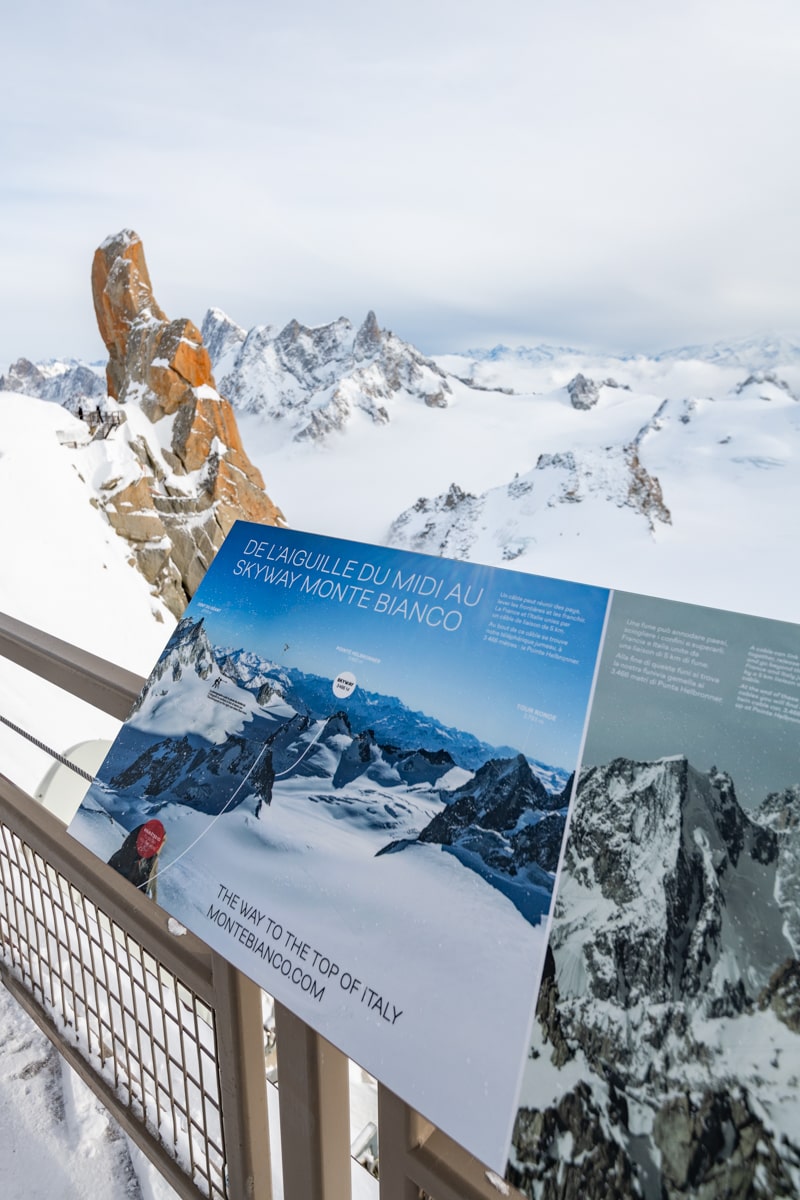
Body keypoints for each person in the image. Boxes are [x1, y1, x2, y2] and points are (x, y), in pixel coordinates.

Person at [107, 819, 166, 901]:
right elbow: (146, 881)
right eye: (163, 841)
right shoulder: (148, 859)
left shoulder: (133, 847)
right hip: (122, 894)